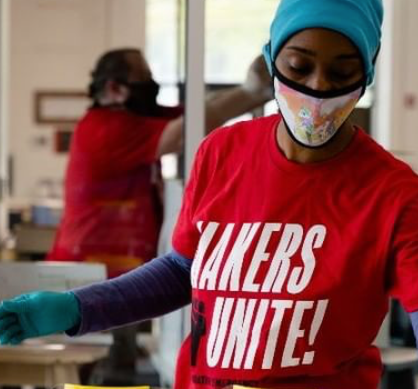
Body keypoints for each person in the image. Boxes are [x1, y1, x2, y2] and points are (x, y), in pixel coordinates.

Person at [0, 0, 418, 389]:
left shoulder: (398, 196)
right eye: (299, 65)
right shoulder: (222, 153)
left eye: (343, 73)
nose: (318, 88)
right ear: (270, 61)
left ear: (367, 73)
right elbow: (182, 272)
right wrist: (77, 308)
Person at [46, 48, 273, 278]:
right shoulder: (105, 129)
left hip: (113, 263)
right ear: (114, 89)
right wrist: (249, 91)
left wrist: (255, 92)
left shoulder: (134, 118)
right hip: (90, 267)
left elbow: (199, 111)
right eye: (144, 78)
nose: (152, 84)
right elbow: (184, 130)